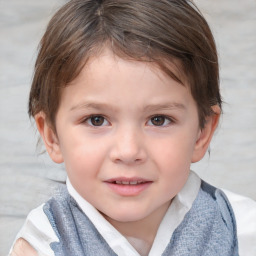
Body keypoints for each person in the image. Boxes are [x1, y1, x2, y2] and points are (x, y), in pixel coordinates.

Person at [8, 0, 244, 255]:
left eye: (158, 120)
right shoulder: (43, 245)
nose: (129, 150)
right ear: (52, 136)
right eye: (96, 120)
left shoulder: (239, 229)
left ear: (202, 132)